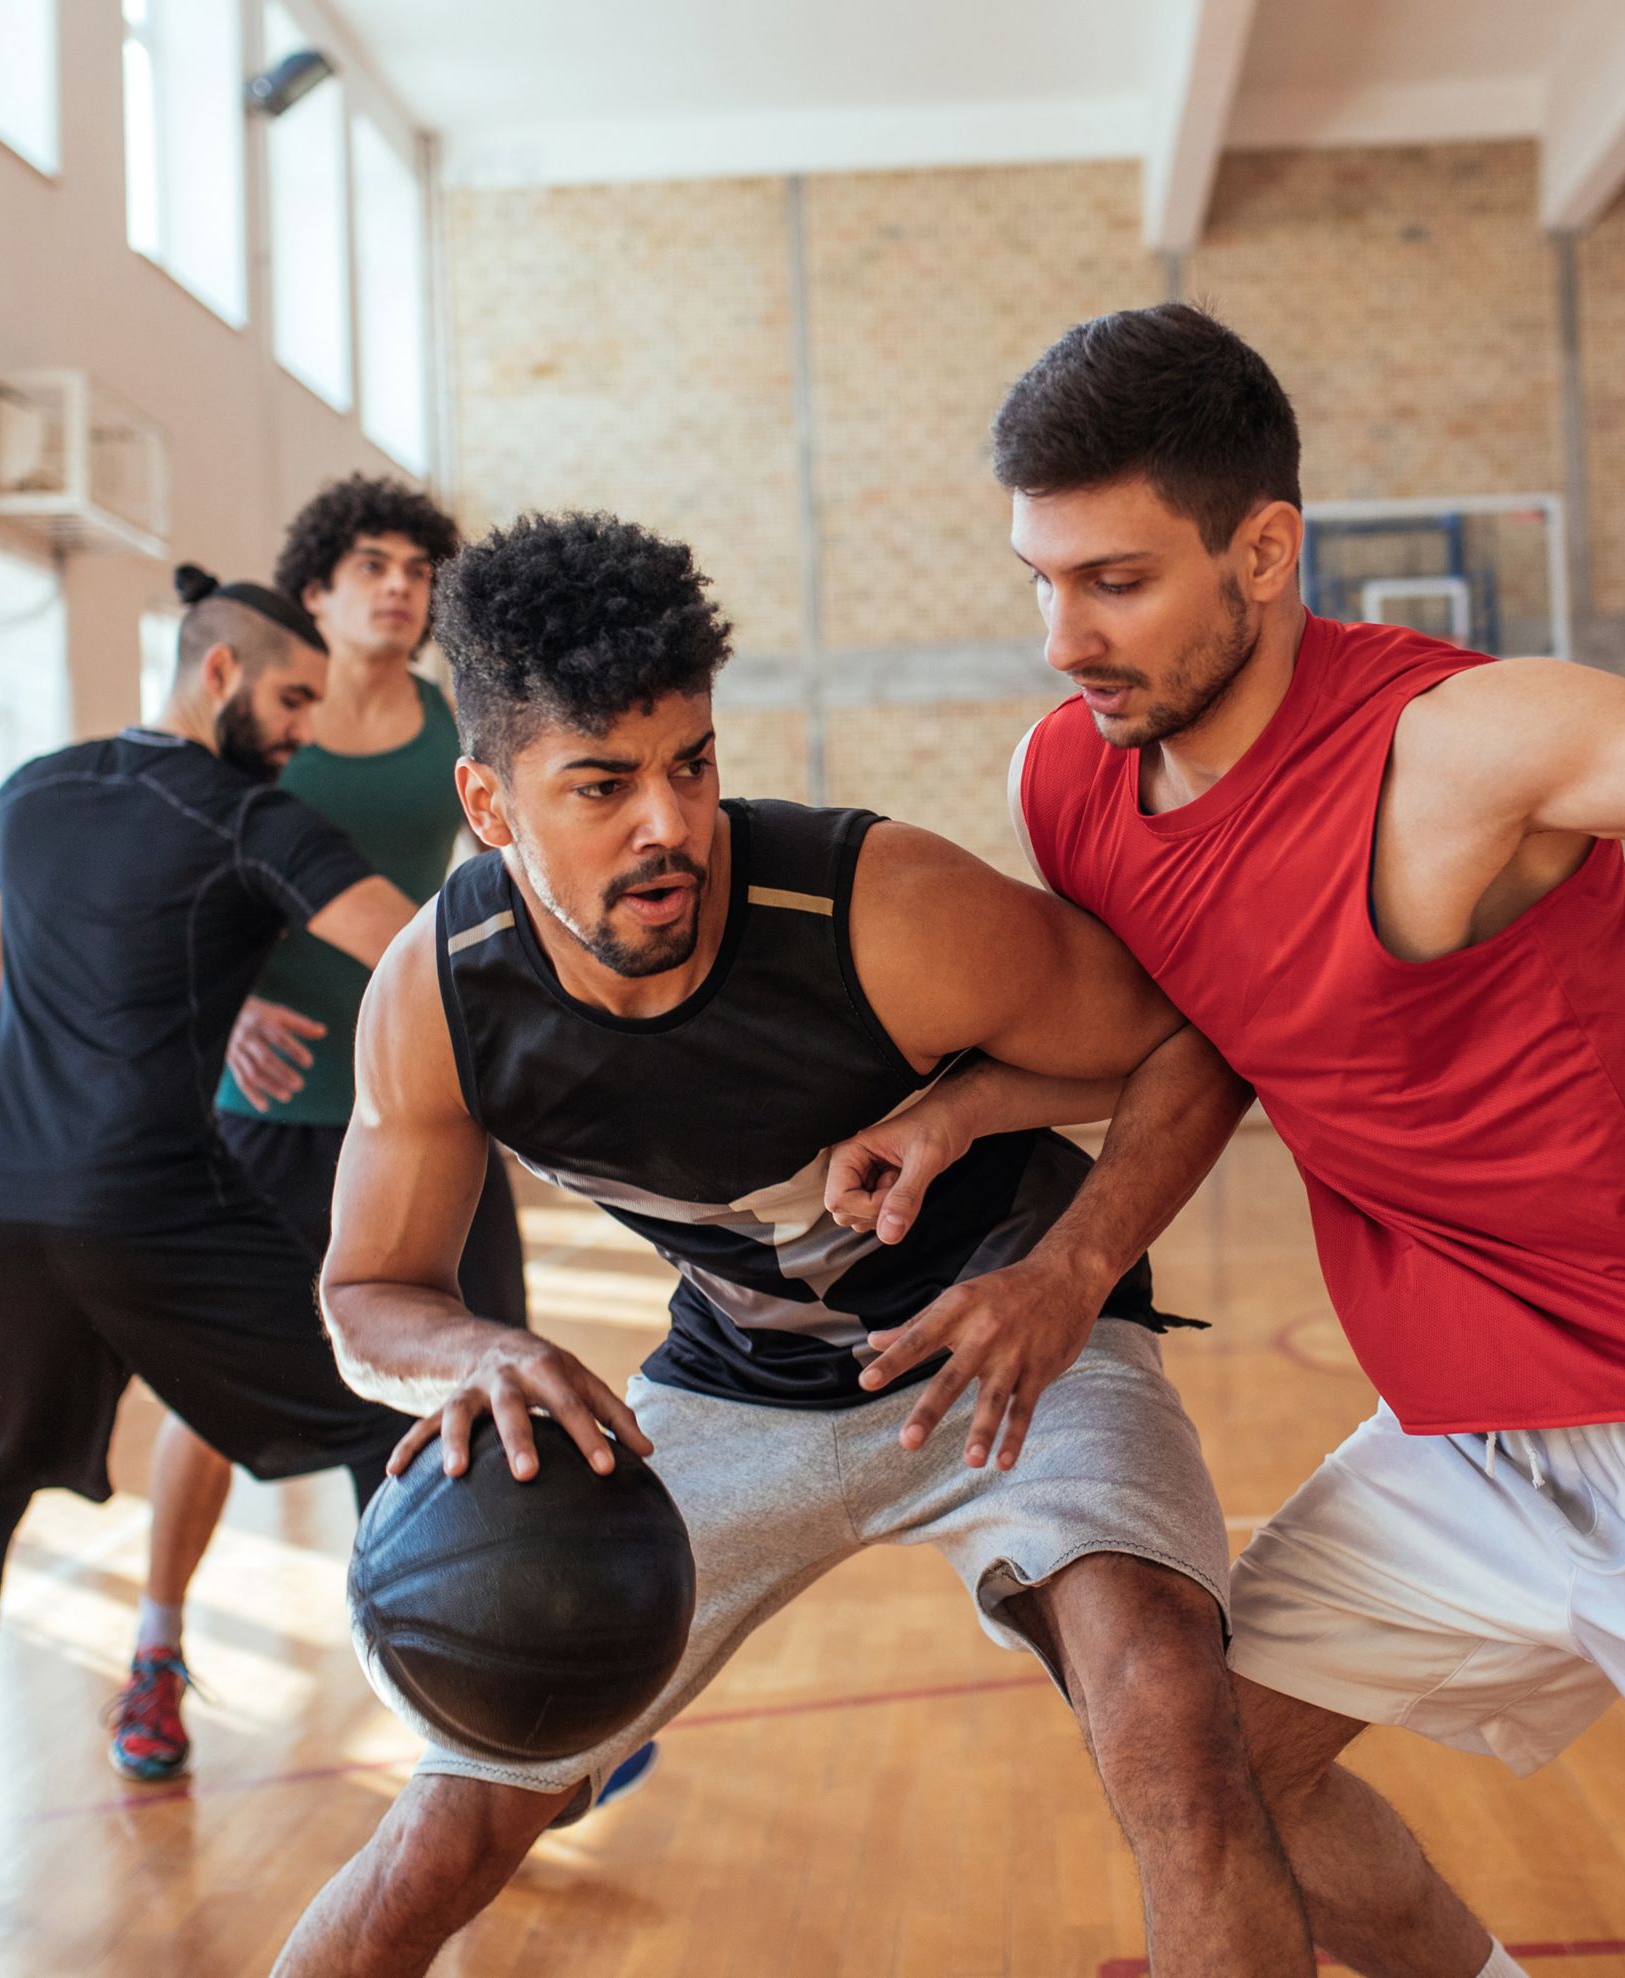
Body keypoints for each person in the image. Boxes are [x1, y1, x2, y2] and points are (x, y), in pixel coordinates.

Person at [826, 303, 1625, 1976]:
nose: (1063, 637)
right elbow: (1195, 1026)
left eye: (1116, 581)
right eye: (1040, 580)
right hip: (1477, 1423)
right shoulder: (1075, 781)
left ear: (1264, 551)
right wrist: (970, 1100)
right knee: (1208, 1777)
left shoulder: (1466, 747)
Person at [272, 511, 1316, 1977]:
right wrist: (481, 1347)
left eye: (690, 763)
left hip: (1009, 1339)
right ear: (490, 805)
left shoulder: (872, 910)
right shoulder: (438, 994)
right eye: (603, 784)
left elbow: (1195, 1040)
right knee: (447, 1825)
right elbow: (368, 1291)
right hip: (740, 1380)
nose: (669, 824)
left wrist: (1065, 1264)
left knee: (1174, 1718)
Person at [0, 569, 417, 1896]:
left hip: (7, 1203)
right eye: (293, 695)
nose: (307, 724)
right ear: (220, 673)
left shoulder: (23, 790)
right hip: (150, 1200)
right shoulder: (254, 815)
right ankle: (469, 1738)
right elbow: (418, 959)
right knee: (384, 1417)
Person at [110, 478, 530, 1788]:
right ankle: (159, 1645)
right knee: (213, 1402)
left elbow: (499, 878)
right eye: (369, 563)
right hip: (270, 1118)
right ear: (316, 589)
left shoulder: (454, 723)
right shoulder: (252, 732)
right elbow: (163, 879)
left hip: (425, 1106)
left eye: (417, 566)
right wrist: (223, 1003)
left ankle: (490, 1689)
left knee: (473, 1385)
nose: (398, 585)